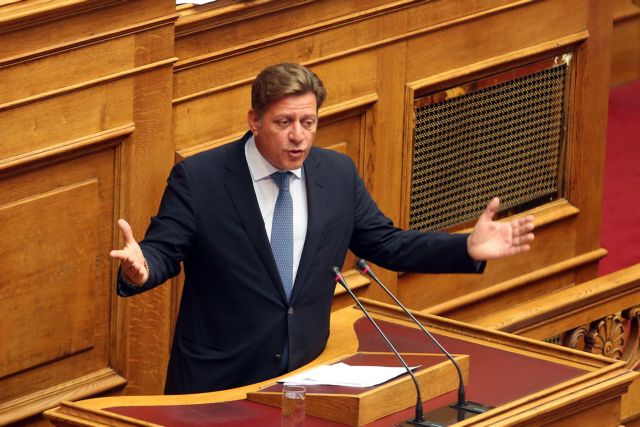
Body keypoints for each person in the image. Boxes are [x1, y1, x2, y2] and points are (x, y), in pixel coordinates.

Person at [110, 63, 534, 395]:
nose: (298, 136)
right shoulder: (200, 179)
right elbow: (164, 250)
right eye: (284, 123)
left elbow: (386, 243)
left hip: (307, 379)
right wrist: (141, 268)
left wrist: (465, 249)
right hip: (219, 384)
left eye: (308, 122)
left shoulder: (337, 173)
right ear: (255, 120)